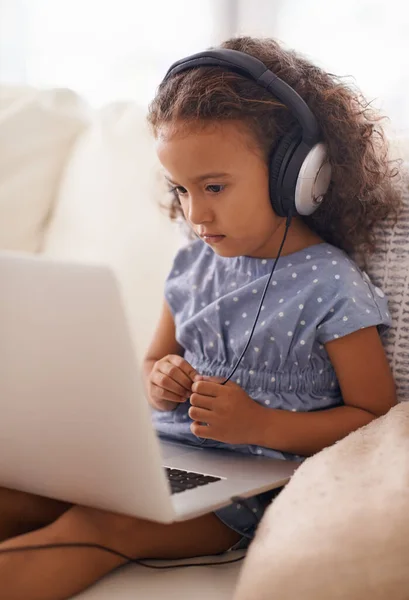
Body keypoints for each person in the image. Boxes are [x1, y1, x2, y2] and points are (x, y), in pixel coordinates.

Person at [0, 36, 401, 600]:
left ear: (298, 176)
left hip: (244, 492)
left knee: (93, 530)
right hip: (158, 461)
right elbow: (150, 361)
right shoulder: (192, 263)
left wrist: (262, 424)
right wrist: (159, 379)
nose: (195, 212)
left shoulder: (329, 286)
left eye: (214, 187)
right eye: (180, 189)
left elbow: (375, 420)